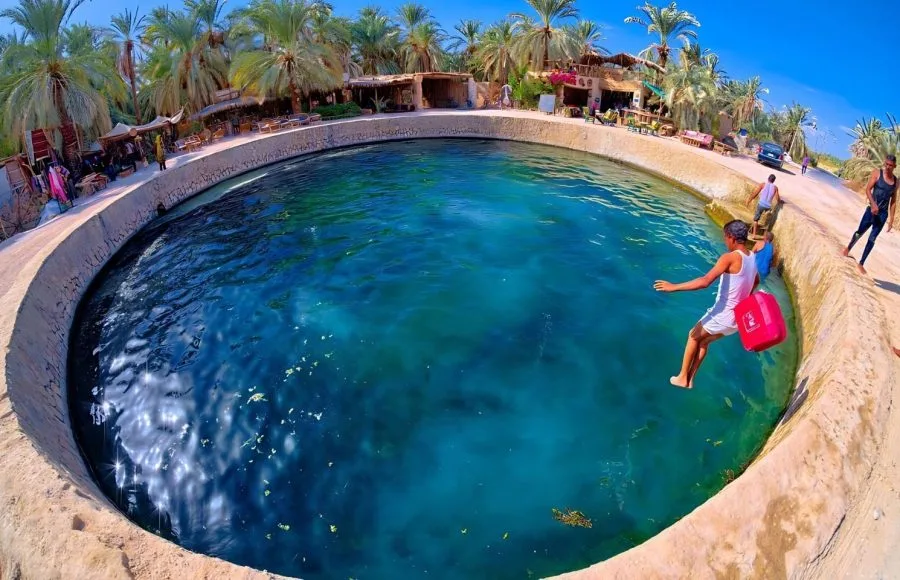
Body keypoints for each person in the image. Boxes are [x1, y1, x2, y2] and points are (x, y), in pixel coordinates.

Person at [654, 220, 759, 389]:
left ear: (731, 237)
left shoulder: (729, 258)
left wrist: (674, 287)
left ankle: (682, 377)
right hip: (737, 320)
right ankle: (690, 379)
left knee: (693, 335)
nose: (725, 241)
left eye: (725, 237)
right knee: (703, 342)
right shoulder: (752, 257)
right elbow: (756, 280)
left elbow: (705, 281)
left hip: (723, 315)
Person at [842, 155, 898, 274]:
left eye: (890, 165)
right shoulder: (877, 173)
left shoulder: (896, 182)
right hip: (871, 211)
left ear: (894, 166)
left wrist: (891, 219)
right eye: (886, 164)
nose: (887, 167)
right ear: (884, 163)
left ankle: (861, 263)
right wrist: (873, 205)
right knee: (859, 232)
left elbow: (893, 201)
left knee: (872, 239)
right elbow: (868, 189)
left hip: (882, 215)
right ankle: (848, 248)